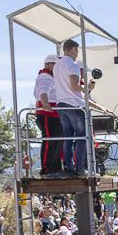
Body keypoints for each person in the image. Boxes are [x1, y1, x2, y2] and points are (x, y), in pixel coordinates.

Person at [53, 39, 86, 175]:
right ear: (72, 49)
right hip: (74, 103)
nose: (77, 53)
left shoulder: (56, 65)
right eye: (77, 50)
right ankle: (80, 168)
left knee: (68, 137)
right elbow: (74, 86)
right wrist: (87, 88)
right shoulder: (73, 65)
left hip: (61, 103)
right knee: (81, 138)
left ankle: (68, 167)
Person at [35, 54, 63, 176]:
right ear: (47, 64)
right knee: (50, 139)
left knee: (57, 139)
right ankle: (47, 168)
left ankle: (55, 168)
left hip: (54, 112)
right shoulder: (45, 76)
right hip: (47, 112)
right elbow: (43, 90)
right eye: (54, 64)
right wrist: (45, 102)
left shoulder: (52, 77)